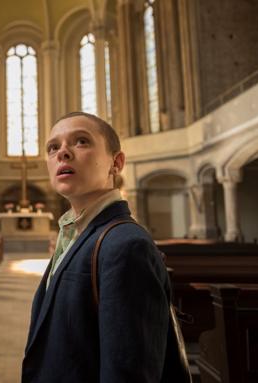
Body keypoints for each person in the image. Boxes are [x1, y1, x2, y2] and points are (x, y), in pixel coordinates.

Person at [22, 112, 171, 382]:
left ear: (116, 163)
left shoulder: (126, 246)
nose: (62, 153)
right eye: (53, 147)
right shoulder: (75, 233)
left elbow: (128, 373)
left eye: (81, 141)